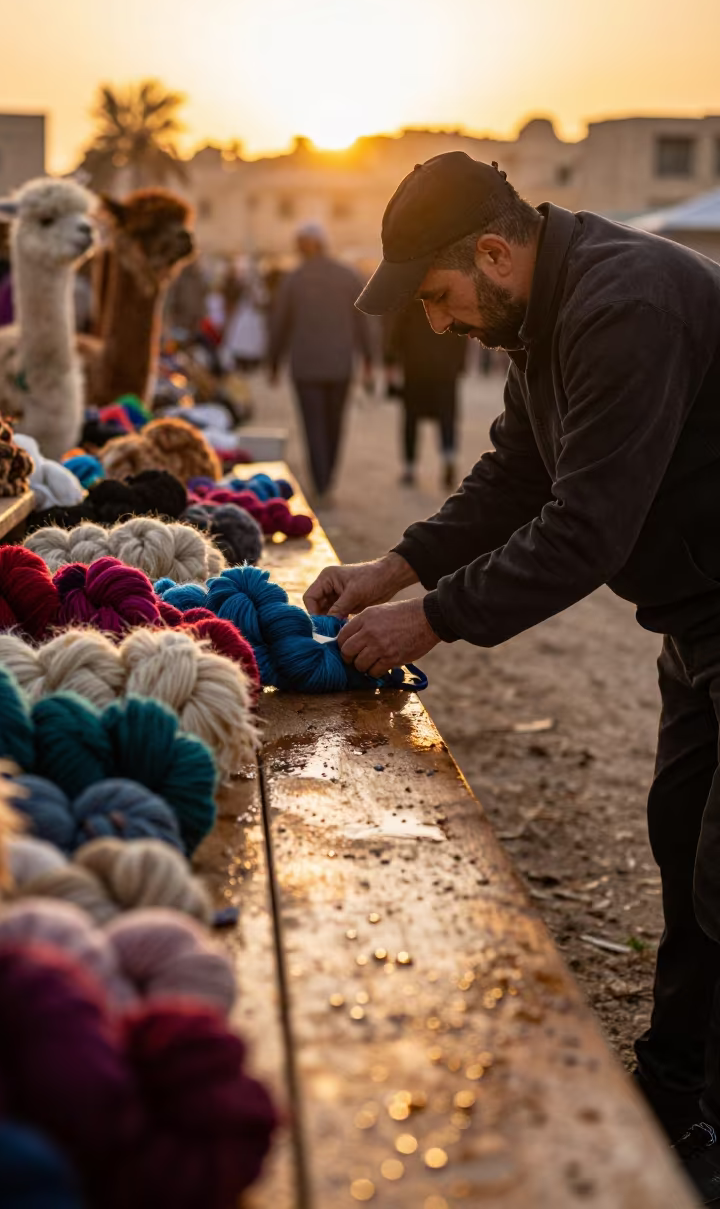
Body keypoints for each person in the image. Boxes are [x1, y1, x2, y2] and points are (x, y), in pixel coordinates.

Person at [302, 150, 720, 1203]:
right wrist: (393, 568)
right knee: (684, 853)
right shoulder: (542, 312)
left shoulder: (624, 307)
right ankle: (676, 1107)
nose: (438, 326)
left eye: (440, 299)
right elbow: (516, 475)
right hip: (699, 625)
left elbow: (584, 527)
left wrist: (429, 622)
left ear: (492, 251)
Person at [269, 221, 374, 501]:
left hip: (306, 367)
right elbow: (365, 322)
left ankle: (321, 480)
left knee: (313, 423)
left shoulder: (294, 278)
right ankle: (326, 477)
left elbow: (279, 324)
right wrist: (369, 359)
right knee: (334, 423)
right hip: (340, 365)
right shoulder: (348, 276)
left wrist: (273, 363)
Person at [384, 297, 468, 489]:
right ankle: (448, 458)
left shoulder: (409, 306)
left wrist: (390, 371)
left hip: (415, 372)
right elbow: (462, 336)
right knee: (447, 419)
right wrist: (459, 366)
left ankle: (409, 468)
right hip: (444, 373)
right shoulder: (449, 303)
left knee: (411, 420)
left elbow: (395, 340)